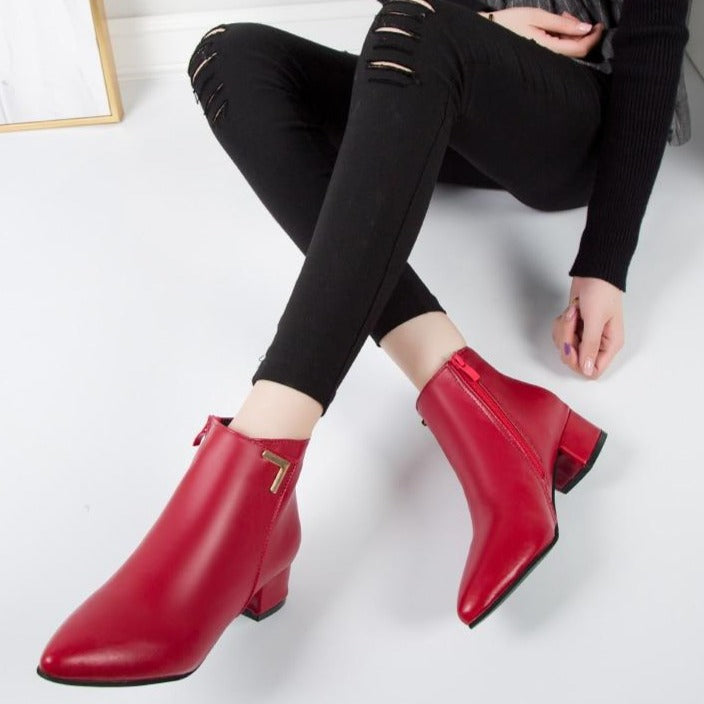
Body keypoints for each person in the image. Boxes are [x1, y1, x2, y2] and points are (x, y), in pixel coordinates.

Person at [36, 0, 690, 686]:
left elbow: (655, 45)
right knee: (230, 56)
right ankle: (482, 404)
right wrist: (484, 28)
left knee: (417, 27)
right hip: (449, 83)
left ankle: (263, 454)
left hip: (578, 120)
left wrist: (605, 261)